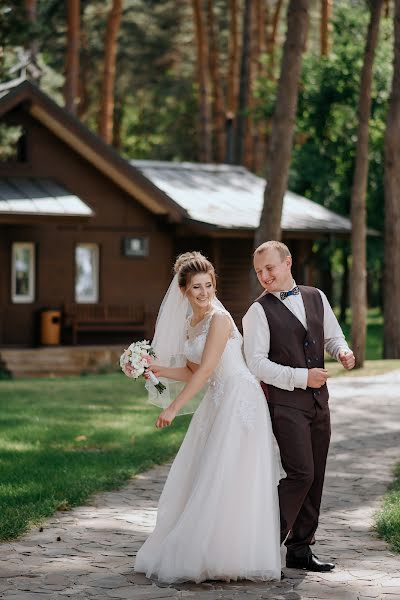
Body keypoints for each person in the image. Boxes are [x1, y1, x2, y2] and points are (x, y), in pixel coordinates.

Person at [134, 251, 284, 584]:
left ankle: (231, 555)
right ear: (184, 292)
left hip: (239, 397)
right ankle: (209, 551)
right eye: (197, 288)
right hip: (217, 399)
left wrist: (173, 407)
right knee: (205, 470)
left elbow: (205, 370)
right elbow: (189, 370)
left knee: (229, 473)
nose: (204, 293)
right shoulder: (192, 323)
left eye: (209, 285)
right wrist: (153, 368)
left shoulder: (220, 319)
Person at [243, 240, 355, 573]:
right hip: (286, 404)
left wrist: (343, 352)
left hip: (320, 403)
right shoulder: (257, 312)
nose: (264, 276)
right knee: (301, 473)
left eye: (270, 268)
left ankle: (300, 550)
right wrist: (301, 377)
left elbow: (332, 337)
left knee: (316, 475)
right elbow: (256, 364)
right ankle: (258, 543)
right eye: (259, 271)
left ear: (288, 263)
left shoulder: (316, 296)